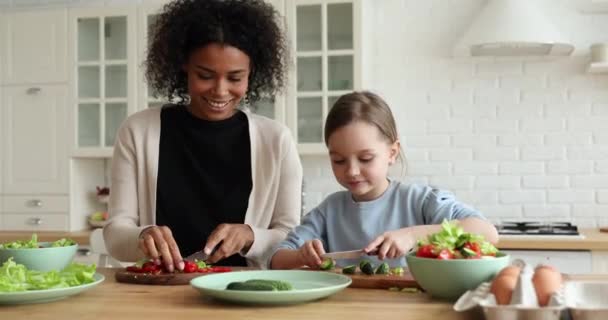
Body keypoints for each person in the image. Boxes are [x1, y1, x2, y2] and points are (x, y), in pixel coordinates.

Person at [104, 0, 302, 271]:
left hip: (246, 294)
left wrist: (250, 235)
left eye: (235, 78)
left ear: (252, 73)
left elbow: (292, 236)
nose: (220, 91)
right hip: (161, 294)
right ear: (184, 65)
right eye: (205, 75)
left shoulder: (276, 140)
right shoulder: (138, 131)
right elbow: (115, 235)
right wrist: (142, 236)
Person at [270, 91, 498, 269]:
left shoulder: (421, 201)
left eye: (365, 158)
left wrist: (411, 235)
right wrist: (300, 256)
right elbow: (276, 259)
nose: (352, 171)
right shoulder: (329, 211)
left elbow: (487, 232)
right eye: (339, 160)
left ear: (392, 152)